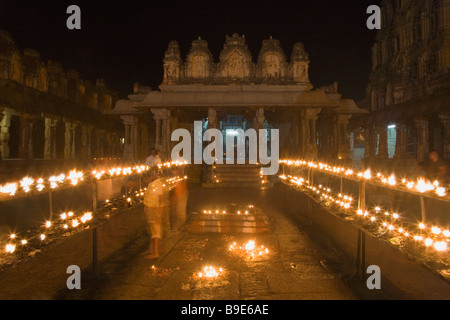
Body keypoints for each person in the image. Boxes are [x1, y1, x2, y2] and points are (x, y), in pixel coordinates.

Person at [142, 171, 164, 259]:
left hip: (154, 210)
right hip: (150, 209)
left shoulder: (157, 185)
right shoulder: (151, 184)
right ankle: (151, 250)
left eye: (147, 177)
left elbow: (161, 200)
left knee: (155, 232)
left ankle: (155, 252)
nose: (146, 179)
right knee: (151, 230)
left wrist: (158, 214)